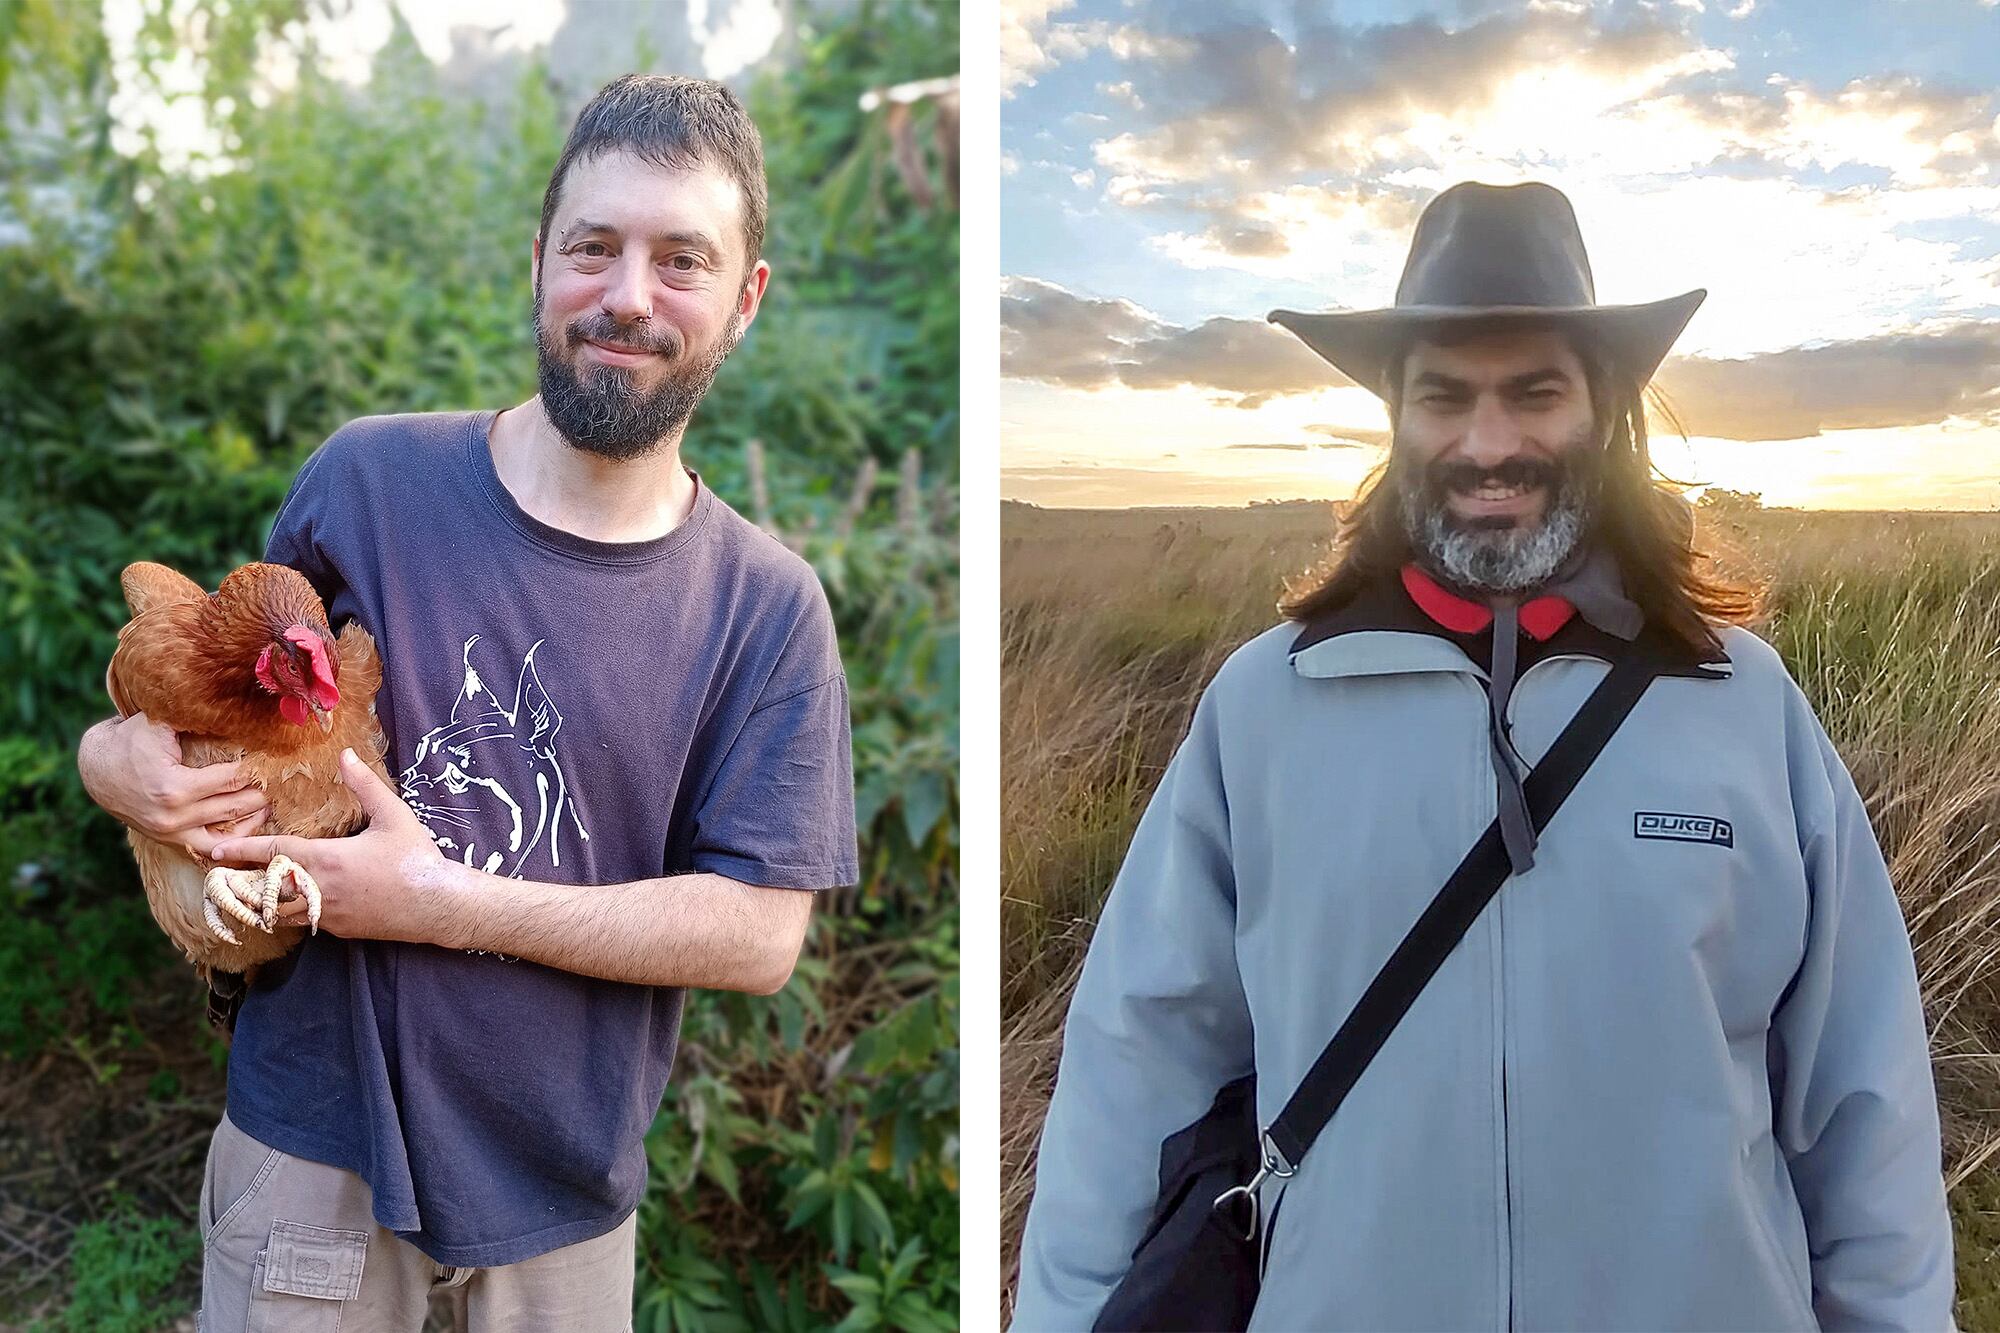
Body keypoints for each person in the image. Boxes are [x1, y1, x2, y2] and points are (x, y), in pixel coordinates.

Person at [1010, 181, 1955, 1330]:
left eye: (1533, 393)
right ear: (1395, 418)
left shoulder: (1743, 706)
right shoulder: (1262, 707)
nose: (1488, 443)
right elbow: (1133, 1070)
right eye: (1444, 397)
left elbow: (1864, 1110)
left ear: (1602, 410)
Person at [76, 74, 858, 1330]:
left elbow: (760, 933)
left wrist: (443, 904)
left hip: (562, 1204)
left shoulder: (765, 608)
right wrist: (108, 761)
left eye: (682, 260)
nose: (626, 296)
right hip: (313, 1166)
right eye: (592, 246)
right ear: (537, 258)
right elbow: (209, 687)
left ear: (743, 300)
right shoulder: (367, 478)